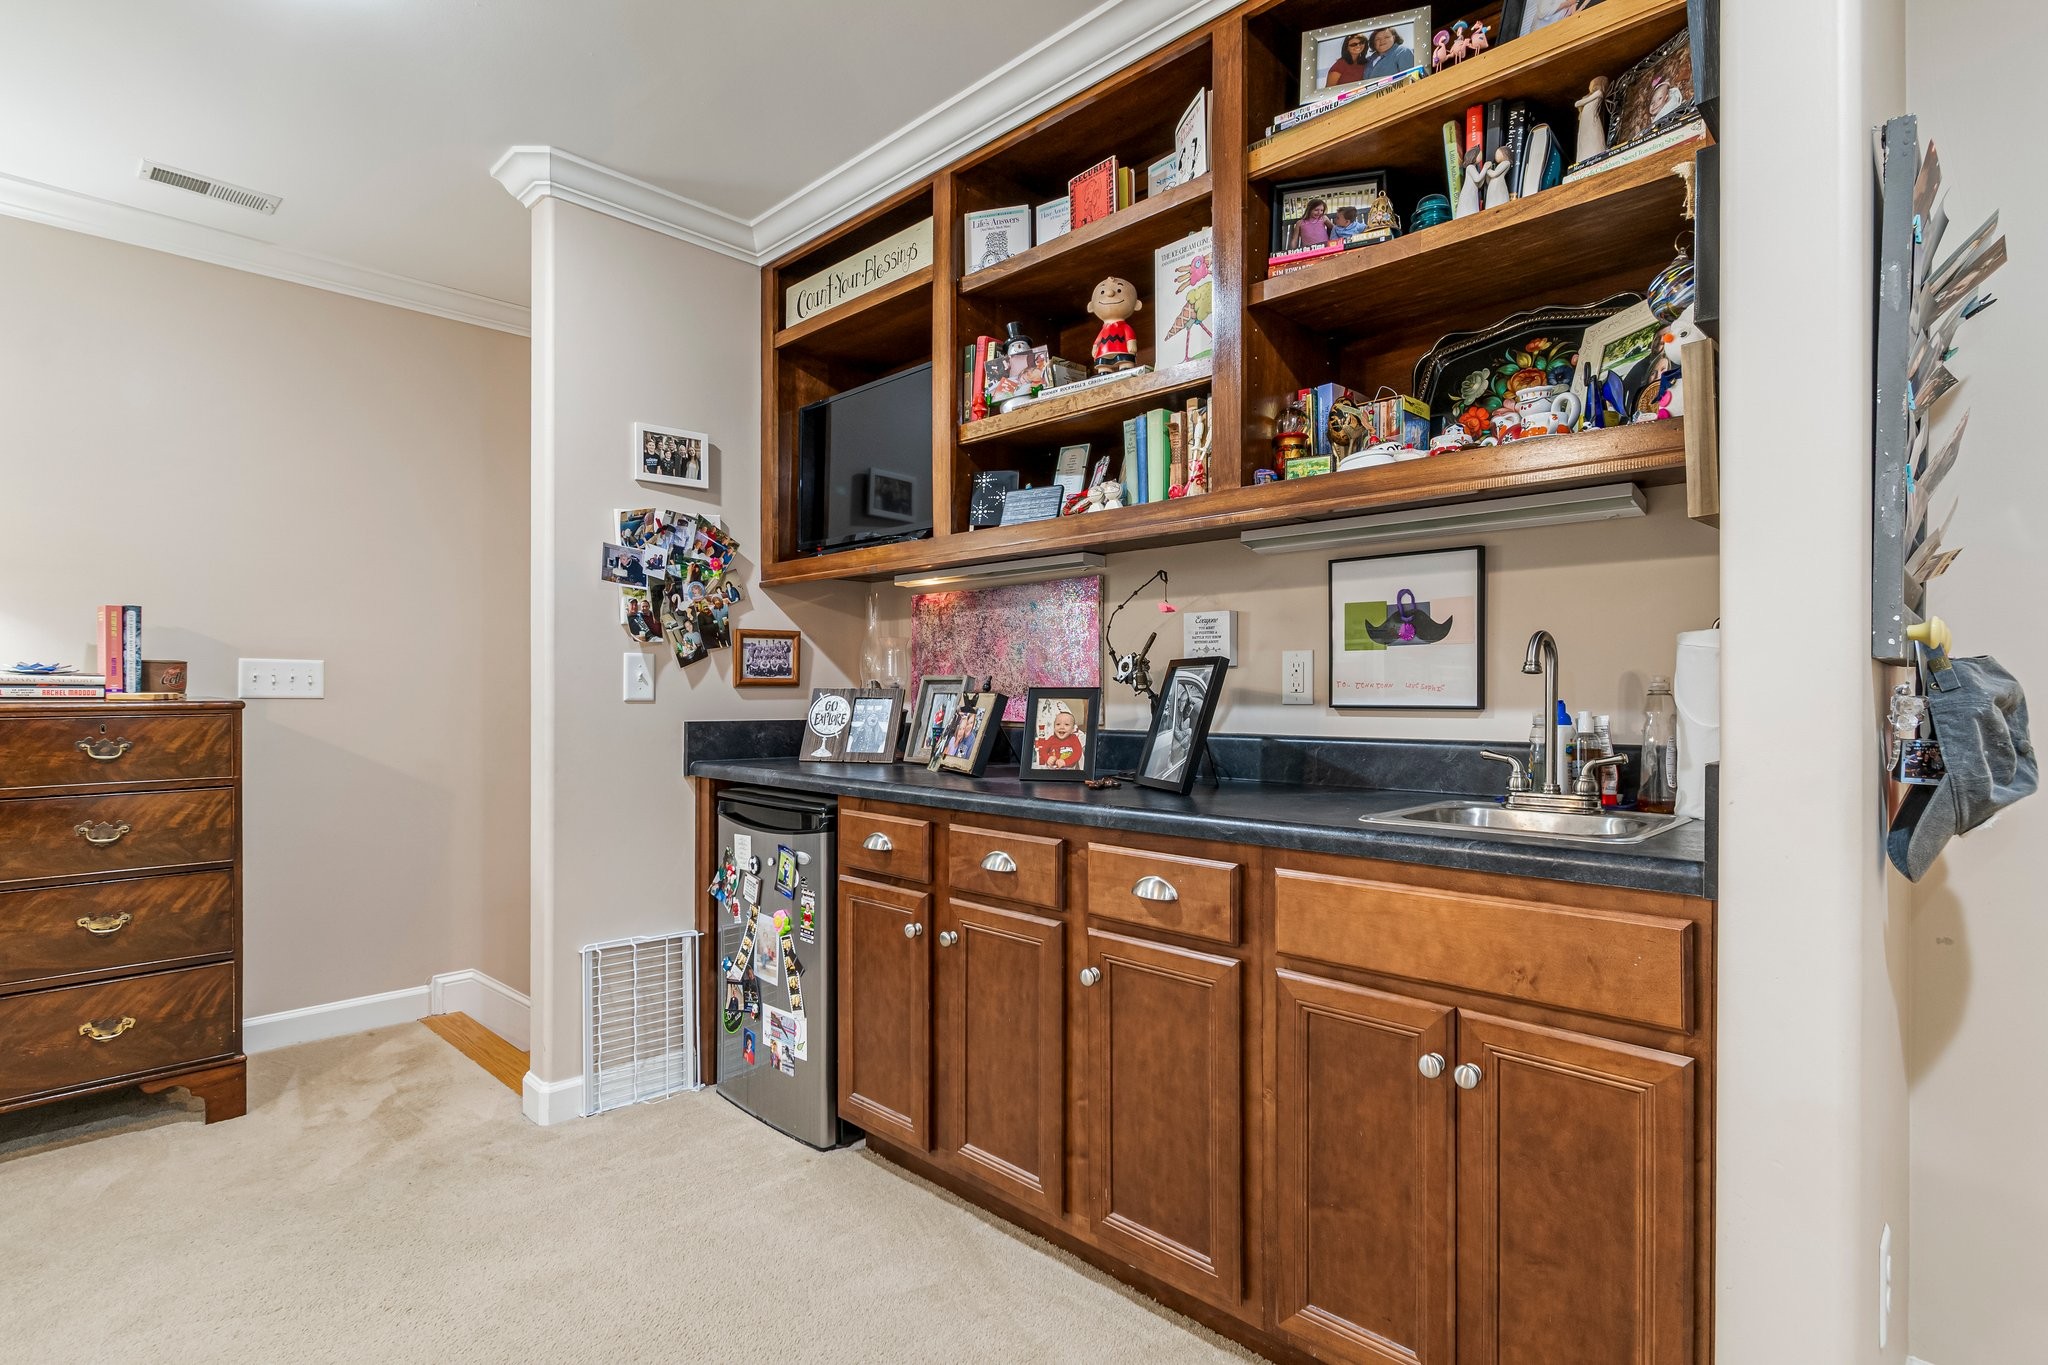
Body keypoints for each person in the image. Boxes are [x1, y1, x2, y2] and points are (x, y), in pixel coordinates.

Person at [1035, 702, 1087, 770]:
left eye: (1066, 724)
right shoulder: (1052, 739)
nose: (1061, 727)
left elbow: (1077, 753)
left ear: (1072, 729)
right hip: (1053, 771)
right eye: (1058, 724)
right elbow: (1043, 751)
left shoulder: (1074, 739)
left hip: (1069, 770)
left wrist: (1065, 762)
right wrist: (1047, 758)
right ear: (1054, 727)